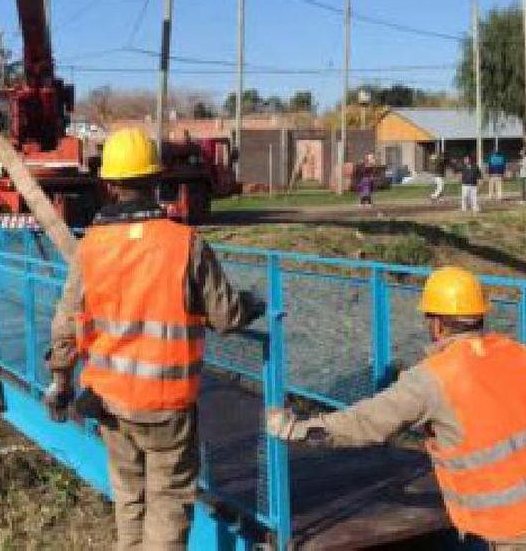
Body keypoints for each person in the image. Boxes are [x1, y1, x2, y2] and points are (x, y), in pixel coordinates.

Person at [43, 127, 266, 551]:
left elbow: (66, 326)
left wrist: (60, 381)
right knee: (167, 506)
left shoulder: (91, 247)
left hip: (110, 400)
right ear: (157, 180)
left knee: (129, 499)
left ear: (108, 184)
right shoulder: (184, 244)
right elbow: (226, 315)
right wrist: (252, 303)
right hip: (166, 406)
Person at [267, 266, 526, 550]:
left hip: (503, 529)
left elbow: (367, 422)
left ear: (437, 324)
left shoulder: (433, 379)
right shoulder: (516, 353)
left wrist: (295, 428)